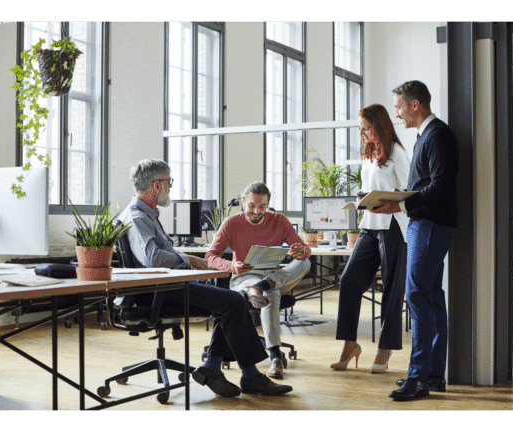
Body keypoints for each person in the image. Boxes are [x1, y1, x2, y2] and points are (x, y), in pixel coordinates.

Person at [116, 159, 293, 397]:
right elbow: (153, 258)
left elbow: (160, 254)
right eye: (169, 181)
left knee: (229, 300)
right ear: (156, 185)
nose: (171, 186)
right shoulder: (138, 217)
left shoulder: (146, 214)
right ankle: (249, 376)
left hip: (167, 285)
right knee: (234, 301)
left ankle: (213, 367)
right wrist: (188, 259)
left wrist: (185, 258)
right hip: (158, 292)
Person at [371, 81, 459, 401]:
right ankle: (433, 374)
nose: (396, 114)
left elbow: (441, 187)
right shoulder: (426, 137)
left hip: (430, 225)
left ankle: (418, 377)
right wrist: (402, 198)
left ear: (415, 105)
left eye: (398, 107)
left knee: (417, 295)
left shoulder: (437, 135)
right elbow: (428, 185)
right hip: (426, 223)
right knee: (432, 297)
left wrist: (403, 204)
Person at [331, 104, 410, 374]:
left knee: (391, 289)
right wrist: (363, 197)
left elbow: (411, 192)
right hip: (370, 224)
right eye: (360, 129)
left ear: (380, 125)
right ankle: (350, 344)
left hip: (394, 227)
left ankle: (384, 349)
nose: (362, 134)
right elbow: (372, 187)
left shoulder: (396, 153)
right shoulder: (368, 155)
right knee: (349, 281)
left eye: (366, 128)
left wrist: (391, 201)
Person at [205, 181, 311, 380]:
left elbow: (304, 249)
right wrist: (231, 266)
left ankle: (262, 286)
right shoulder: (232, 222)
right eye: (252, 205)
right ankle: (275, 357)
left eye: (262, 206)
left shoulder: (279, 220)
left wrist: (301, 250)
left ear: (268, 204)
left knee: (305, 263)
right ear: (243, 201)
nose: (256, 211)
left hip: (274, 275)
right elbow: (210, 256)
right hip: (244, 277)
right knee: (271, 294)